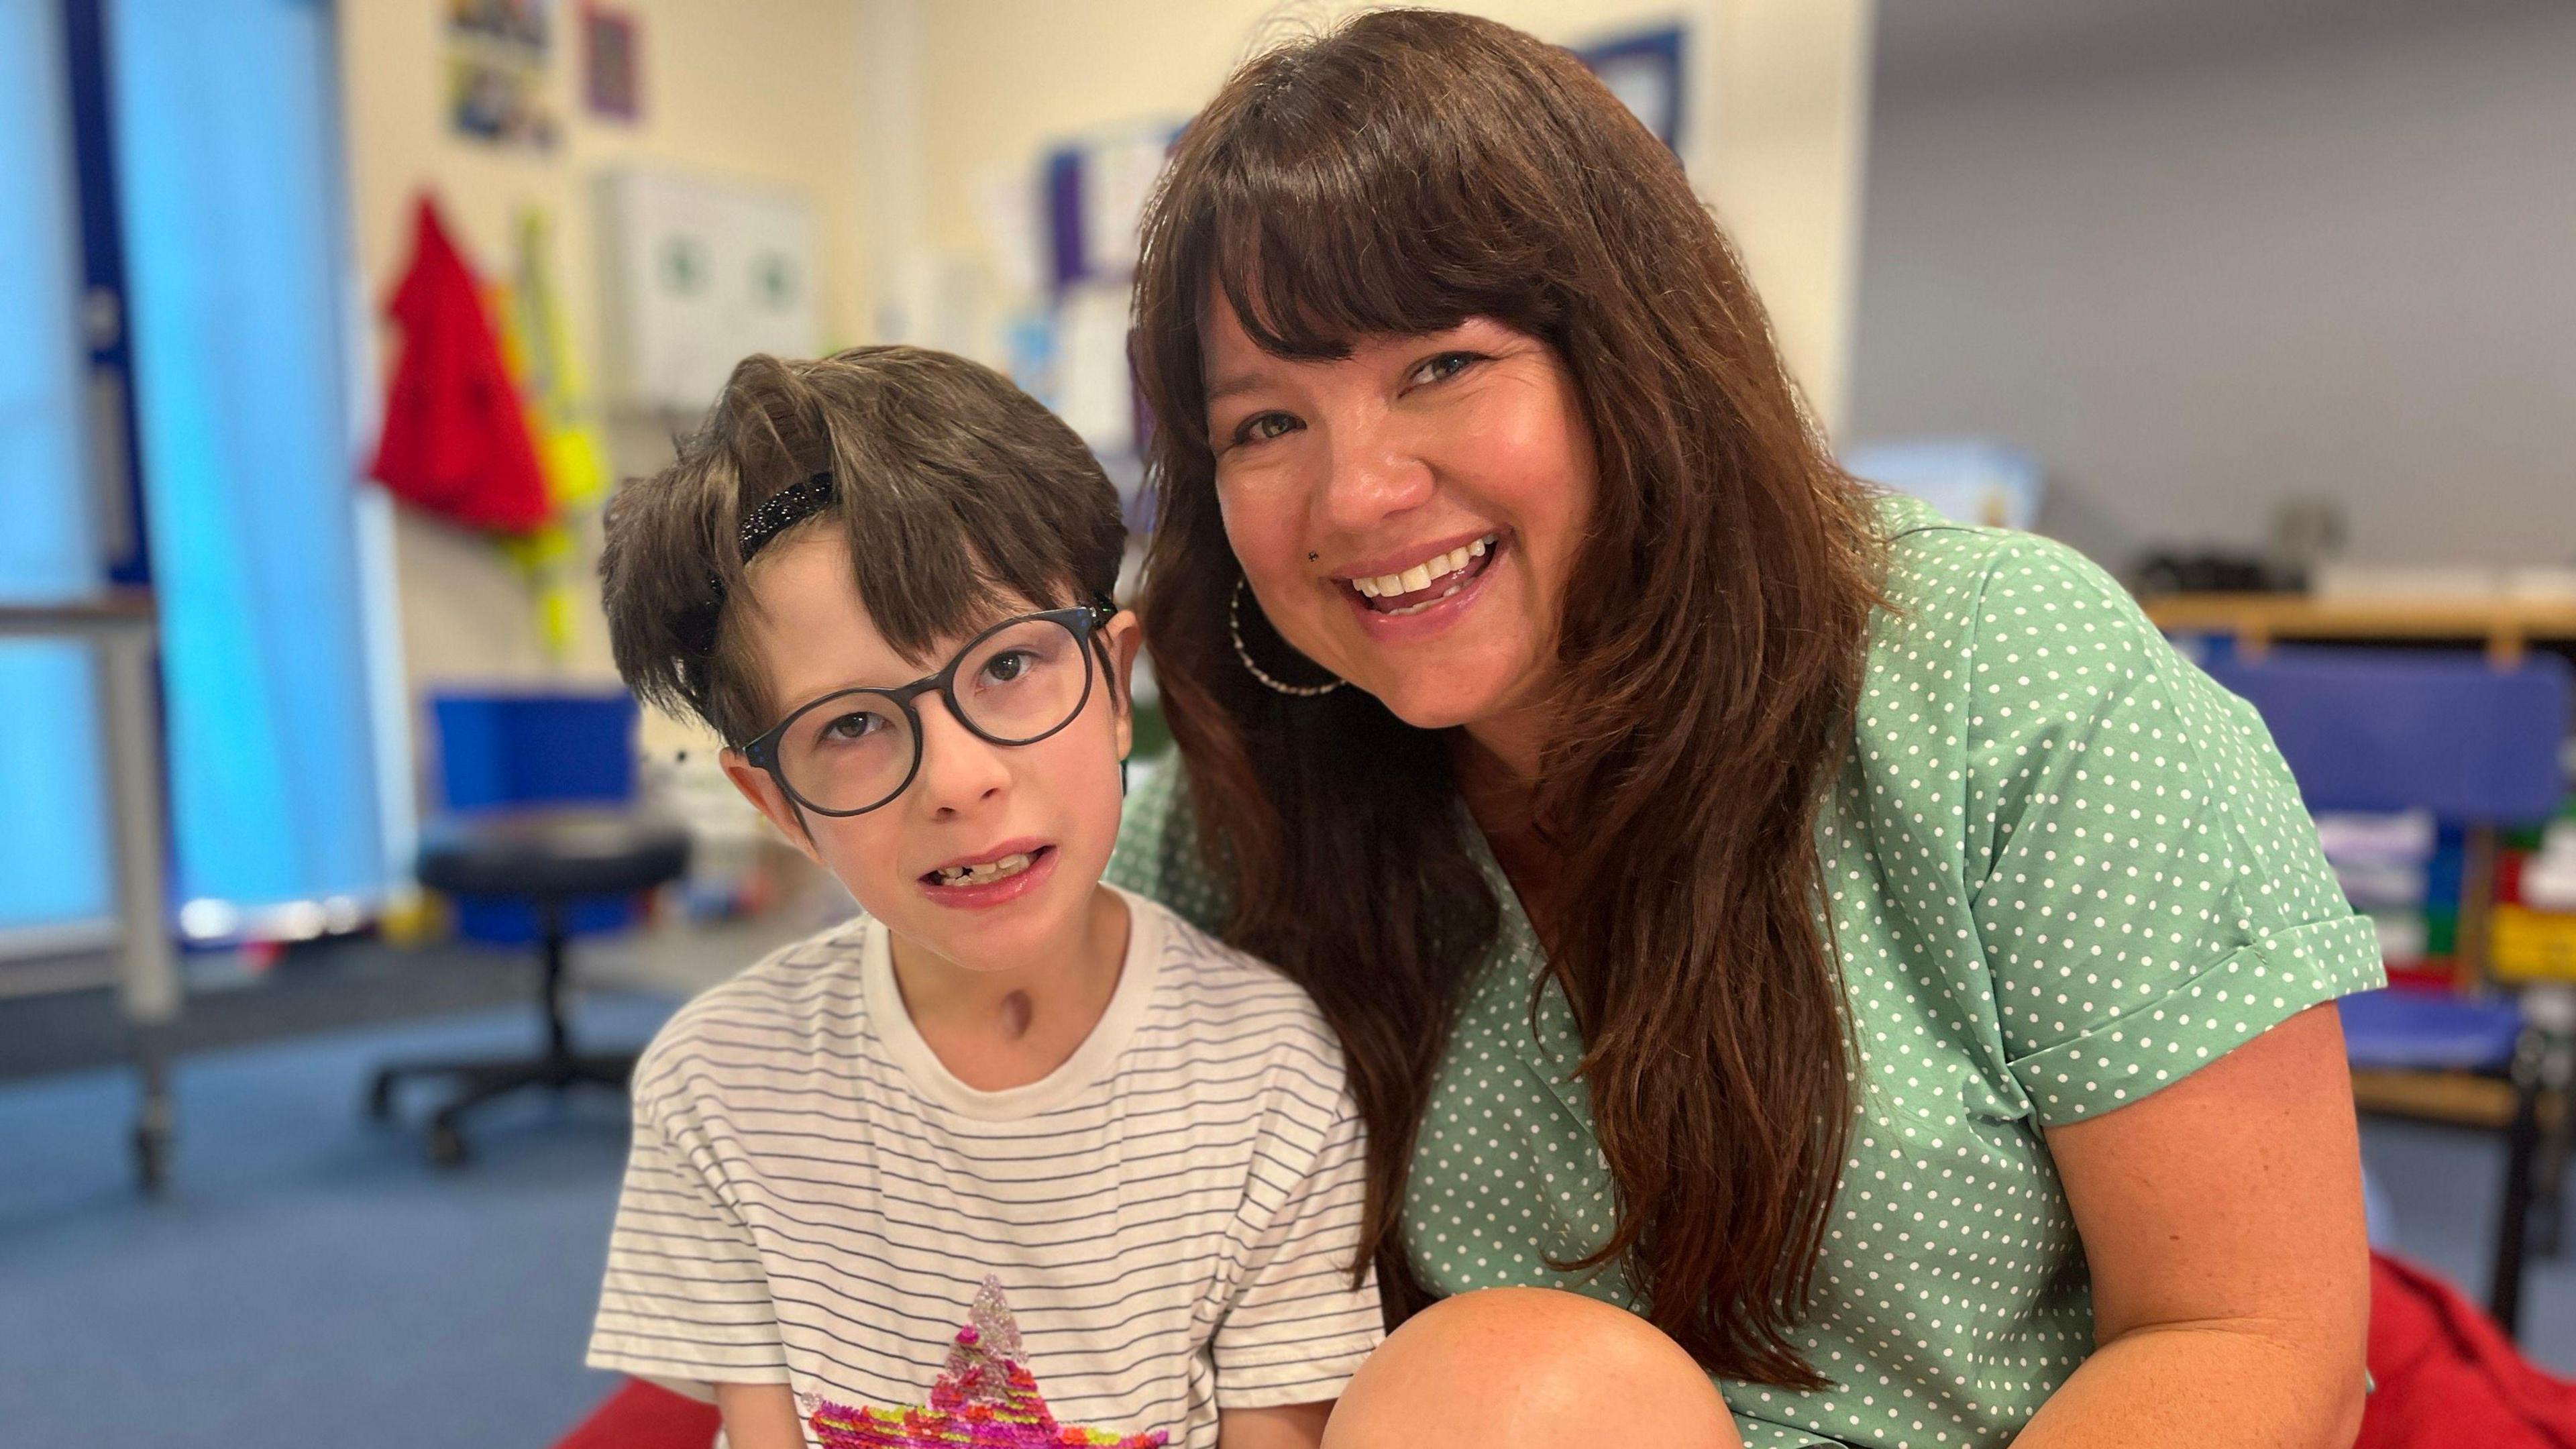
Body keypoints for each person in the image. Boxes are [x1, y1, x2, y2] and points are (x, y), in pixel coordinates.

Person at [1107, 11, 2380, 1449]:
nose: (1354, 498)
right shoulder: (1238, 801)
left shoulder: (2000, 678)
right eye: (1265, 425)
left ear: (1632, 358)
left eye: (1440, 367)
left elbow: (2251, 1335)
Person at [584, 347, 1383, 1449]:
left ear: (1112, 683)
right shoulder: (719, 1086)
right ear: (775, 802)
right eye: (852, 726)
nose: (961, 780)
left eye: (1008, 666)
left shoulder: (1272, 1077)